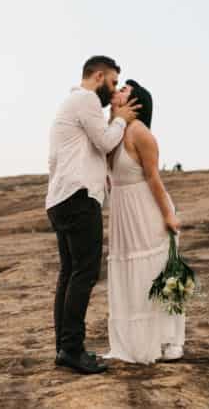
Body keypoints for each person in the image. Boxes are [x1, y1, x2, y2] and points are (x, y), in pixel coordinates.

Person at [46, 55, 140, 374]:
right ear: (98, 76)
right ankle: (72, 349)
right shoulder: (86, 99)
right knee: (84, 274)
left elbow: (60, 158)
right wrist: (122, 118)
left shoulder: (69, 104)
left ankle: (64, 347)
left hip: (60, 198)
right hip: (79, 197)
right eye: (112, 82)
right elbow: (105, 141)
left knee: (69, 273)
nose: (113, 89)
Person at [104, 79, 185, 364]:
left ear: (136, 103)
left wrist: (168, 215)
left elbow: (153, 177)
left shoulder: (140, 134)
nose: (117, 92)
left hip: (147, 210)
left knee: (157, 273)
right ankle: (136, 342)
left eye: (124, 90)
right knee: (130, 276)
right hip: (124, 213)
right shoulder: (111, 133)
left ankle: (171, 340)